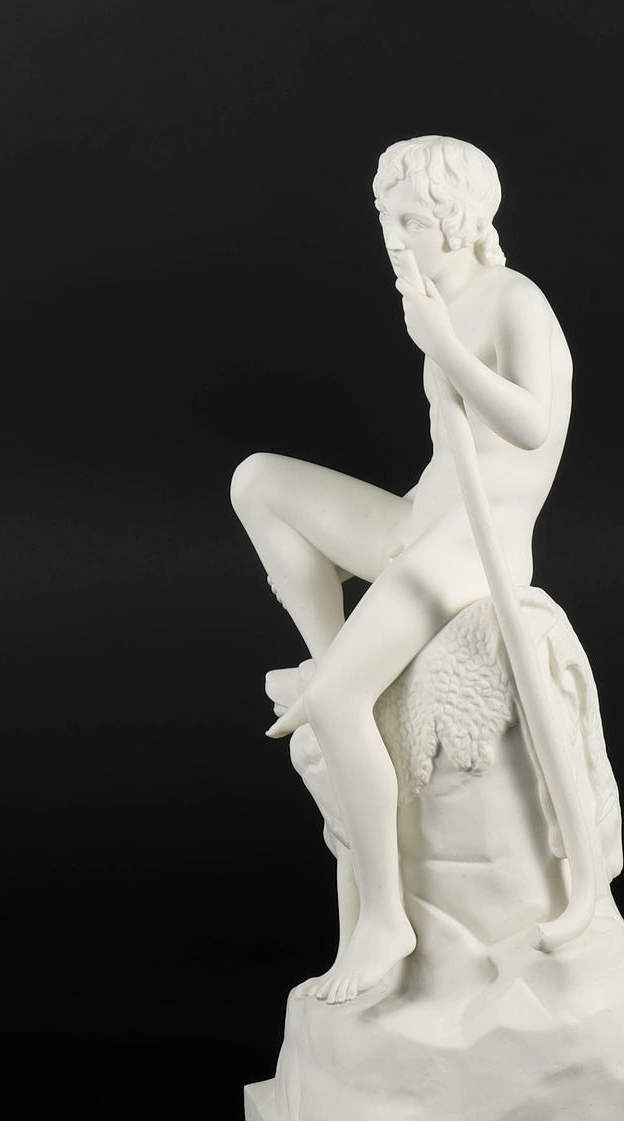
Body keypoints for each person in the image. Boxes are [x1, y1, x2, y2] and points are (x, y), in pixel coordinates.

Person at [230, 136, 574, 1003]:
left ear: (460, 221)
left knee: (339, 704)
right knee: (258, 480)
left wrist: (444, 348)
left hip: (472, 551)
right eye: (385, 217)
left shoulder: (513, 300)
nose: (392, 237)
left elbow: (532, 425)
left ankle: (385, 918)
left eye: (413, 220)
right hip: (421, 526)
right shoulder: (439, 298)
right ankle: (331, 654)